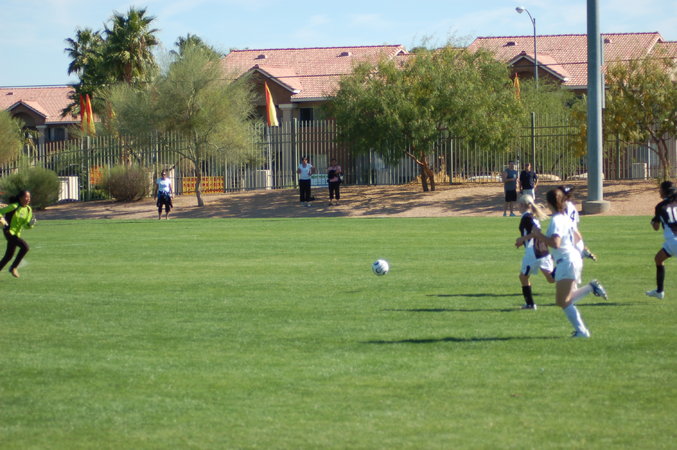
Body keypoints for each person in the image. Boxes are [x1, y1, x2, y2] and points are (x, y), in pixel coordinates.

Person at [533, 188, 608, 338]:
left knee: (563, 301)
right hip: (573, 258)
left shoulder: (556, 220)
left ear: (549, 203)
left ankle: (582, 331)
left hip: (566, 261)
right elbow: (578, 237)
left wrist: (538, 235)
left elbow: (555, 243)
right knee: (564, 300)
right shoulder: (565, 218)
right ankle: (590, 289)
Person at [514, 194, 555, 310]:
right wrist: (523, 240)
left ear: (523, 205)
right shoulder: (532, 216)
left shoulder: (526, 217)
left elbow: (536, 232)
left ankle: (530, 304)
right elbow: (535, 232)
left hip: (533, 251)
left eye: (519, 204)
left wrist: (522, 239)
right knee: (551, 278)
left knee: (523, 277)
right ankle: (568, 273)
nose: (517, 206)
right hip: (542, 248)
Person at [646, 180, 677, 299]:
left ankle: (660, 291)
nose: (659, 191)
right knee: (658, 259)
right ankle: (659, 291)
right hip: (672, 242)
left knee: (658, 260)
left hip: (673, 241)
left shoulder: (660, 206)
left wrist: (652, 222)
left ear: (664, 192)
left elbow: (656, 227)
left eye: (660, 189)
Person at [0, 190, 36, 278]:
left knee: (9, 256)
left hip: (17, 234)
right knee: (25, 247)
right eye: (26, 197)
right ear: (20, 198)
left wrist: (30, 225)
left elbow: (26, 225)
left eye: (29, 197)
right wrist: (3, 222)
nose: (28, 199)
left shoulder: (28, 209)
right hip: (8, 231)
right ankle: (13, 267)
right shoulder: (14, 206)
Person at [558, 186, 597, 261]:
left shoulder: (564, 207)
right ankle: (584, 250)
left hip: (571, 241)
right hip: (577, 240)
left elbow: (567, 225)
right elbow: (575, 226)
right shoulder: (572, 206)